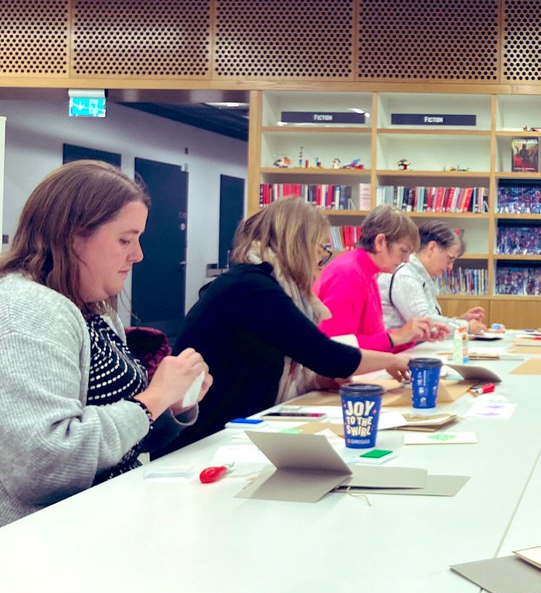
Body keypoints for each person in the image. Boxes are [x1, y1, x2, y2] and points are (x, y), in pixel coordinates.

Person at [0, 161, 209, 526]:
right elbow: (45, 466)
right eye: (125, 239)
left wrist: (170, 406)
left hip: (107, 519)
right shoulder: (29, 310)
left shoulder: (94, 307)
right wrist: (151, 401)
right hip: (47, 545)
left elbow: (123, 441)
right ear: (72, 236)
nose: (138, 255)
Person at [170, 197, 413, 449]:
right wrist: (393, 360)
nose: (320, 262)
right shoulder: (253, 288)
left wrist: (318, 380)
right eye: (320, 250)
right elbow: (325, 355)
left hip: (234, 427)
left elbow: (282, 354)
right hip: (205, 438)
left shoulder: (261, 283)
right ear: (299, 245)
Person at [315, 205, 435, 351]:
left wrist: (409, 336)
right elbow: (335, 347)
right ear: (380, 242)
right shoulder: (348, 274)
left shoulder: (367, 272)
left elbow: (372, 339)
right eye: (403, 251)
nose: (406, 260)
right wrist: (396, 337)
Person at [382, 220, 487, 334]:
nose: (450, 267)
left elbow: (431, 318)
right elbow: (424, 322)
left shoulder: (419, 274)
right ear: (432, 248)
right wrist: (466, 327)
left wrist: (459, 321)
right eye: (450, 259)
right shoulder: (405, 275)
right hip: (398, 350)